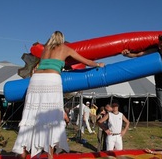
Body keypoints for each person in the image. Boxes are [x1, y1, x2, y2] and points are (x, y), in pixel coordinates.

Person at [12, 31, 105, 159]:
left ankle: (22, 150)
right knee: (52, 116)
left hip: (35, 80)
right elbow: (86, 61)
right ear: (62, 39)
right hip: (52, 79)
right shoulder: (65, 48)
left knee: (31, 117)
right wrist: (98, 64)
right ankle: (50, 154)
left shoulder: (45, 49)